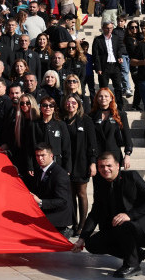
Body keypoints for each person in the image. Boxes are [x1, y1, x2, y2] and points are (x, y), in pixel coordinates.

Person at [72, 152, 145, 278]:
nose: (105, 169)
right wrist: (82, 238)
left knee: (123, 223)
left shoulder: (132, 177)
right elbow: (95, 213)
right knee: (92, 244)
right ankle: (136, 254)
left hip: (140, 226)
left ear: (118, 166)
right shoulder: (100, 183)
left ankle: (132, 265)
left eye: (109, 165)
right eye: (101, 166)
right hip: (116, 227)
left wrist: (130, 215)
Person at [62, 93, 97, 235]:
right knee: (70, 194)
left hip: (82, 161)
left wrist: (93, 162)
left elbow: (92, 143)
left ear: (79, 104)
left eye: (73, 103)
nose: (71, 105)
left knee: (81, 193)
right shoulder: (62, 120)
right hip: (67, 162)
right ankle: (74, 223)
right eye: (68, 102)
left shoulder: (86, 120)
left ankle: (82, 226)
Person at [30, 143, 73, 237]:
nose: (40, 158)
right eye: (37, 155)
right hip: (45, 211)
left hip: (57, 216)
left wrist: (40, 202)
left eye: (43, 155)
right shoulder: (39, 170)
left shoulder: (59, 174)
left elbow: (62, 201)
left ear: (51, 156)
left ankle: (64, 231)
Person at [90, 87, 132, 169]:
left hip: (114, 154)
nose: (103, 98)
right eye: (100, 96)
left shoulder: (120, 115)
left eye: (106, 96)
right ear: (97, 99)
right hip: (97, 155)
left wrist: (127, 155)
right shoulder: (91, 116)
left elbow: (127, 136)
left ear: (111, 98)